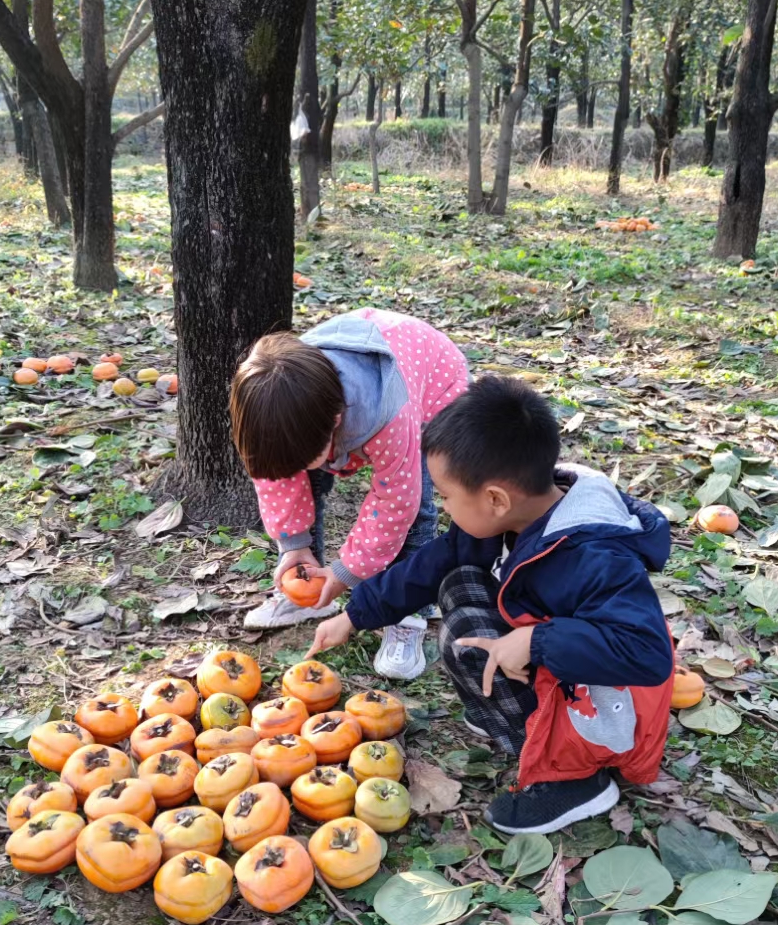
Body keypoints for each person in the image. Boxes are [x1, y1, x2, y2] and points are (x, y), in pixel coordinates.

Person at [307, 375, 676, 834]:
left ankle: (576, 780)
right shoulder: (520, 514)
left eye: (446, 496)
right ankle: (510, 717)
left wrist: (536, 640)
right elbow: (435, 561)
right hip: (560, 660)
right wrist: (355, 614)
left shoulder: (596, 557)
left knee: (468, 630)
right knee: (459, 584)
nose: (442, 507)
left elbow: (647, 652)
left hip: (604, 707)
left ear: (496, 499)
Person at [230, 308, 469, 680]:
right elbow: (276, 480)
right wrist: (293, 546)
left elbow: (395, 505)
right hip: (354, 383)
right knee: (300, 472)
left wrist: (347, 572)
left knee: (417, 502)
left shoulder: (389, 414)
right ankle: (308, 596)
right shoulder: (278, 404)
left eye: (308, 459)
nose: (299, 469)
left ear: (335, 423)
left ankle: (409, 614)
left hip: (431, 382)